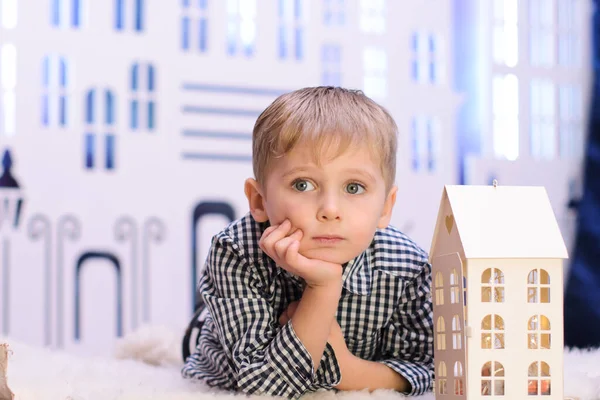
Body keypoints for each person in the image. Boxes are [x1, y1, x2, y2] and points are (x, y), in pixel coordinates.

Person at [181, 86, 434, 399]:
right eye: (303, 185)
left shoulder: (407, 266)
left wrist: (350, 372)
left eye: (354, 188)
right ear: (259, 200)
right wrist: (323, 288)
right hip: (222, 372)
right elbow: (263, 387)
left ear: (385, 206)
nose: (330, 209)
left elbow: (430, 367)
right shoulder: (236, 251)